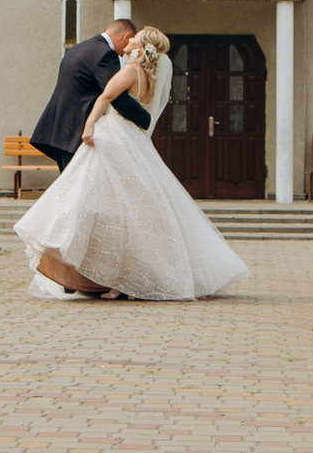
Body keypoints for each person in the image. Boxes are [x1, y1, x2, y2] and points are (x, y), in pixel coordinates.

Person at [16, 26, 248, 301]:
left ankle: (87, 270)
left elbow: (106, 96)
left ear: (140, 46)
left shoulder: (129, 70)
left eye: (136, 37)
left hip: (112, 135)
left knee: (82, 198)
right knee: (124, 207)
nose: (130, 38)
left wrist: (90, 125)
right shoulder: (148, 75)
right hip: (130, 138)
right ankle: (110, 278)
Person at [30, 18, 150, 172]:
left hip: (59, 130)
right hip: (77, 132)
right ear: (126, 37)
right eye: (129, 42)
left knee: (70, 190)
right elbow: (116, 97)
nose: (122, 55)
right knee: (76, 192)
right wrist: (146, 119)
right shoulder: (106, 55)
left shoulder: (80, 47)